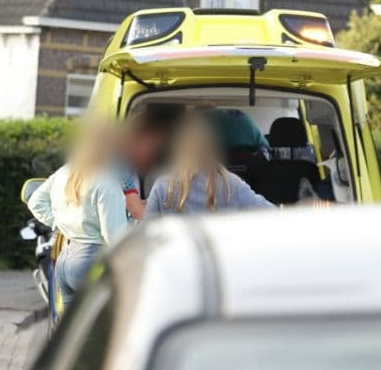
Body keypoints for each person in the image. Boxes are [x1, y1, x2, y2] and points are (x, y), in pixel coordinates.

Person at [26, 118, 129, 317]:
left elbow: (35, 201)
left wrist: (59, 224)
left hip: (66, 259)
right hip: (92, 260)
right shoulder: (107, 182)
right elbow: (115, 238)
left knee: (69, 334)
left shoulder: (66, 172)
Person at [145, 112, 274, 216]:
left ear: (179, 149)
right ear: (211, 147)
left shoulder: (162, 186)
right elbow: (271, 213)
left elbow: (146, 235)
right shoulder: (232, 185)